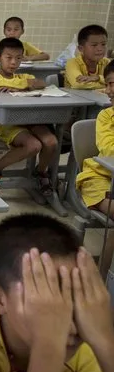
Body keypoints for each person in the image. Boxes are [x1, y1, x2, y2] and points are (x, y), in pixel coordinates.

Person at [0, 213, 114, 372]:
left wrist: (105, 343)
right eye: (44, 304)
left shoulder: (88, 341)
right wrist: (49, 348)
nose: (68, 323)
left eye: (77, 296)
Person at [0, 38, 57, 195]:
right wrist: (25, 86)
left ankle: (40, 172)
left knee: (51, 142)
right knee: (33, 146)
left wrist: (22, 85)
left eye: (18, 58)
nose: (13, 62)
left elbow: (41, 83)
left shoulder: (23, 76)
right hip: (3, 123)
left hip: (29, 119)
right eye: (8, 57)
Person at [76, 59, 114, 274]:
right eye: (108, 84)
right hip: (100, 178)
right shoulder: (106, 116)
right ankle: (102, 283)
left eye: (113, 84)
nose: (109, 90)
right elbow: (108, 149)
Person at [65, 25, 109, 90]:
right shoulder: (72, 63)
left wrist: (98, 78)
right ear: (81, 49)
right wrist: (108, 85)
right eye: (94, 45)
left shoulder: (107, 62)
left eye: (103, 44)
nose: (100, 49)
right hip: (77, 99)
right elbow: (79, 85)